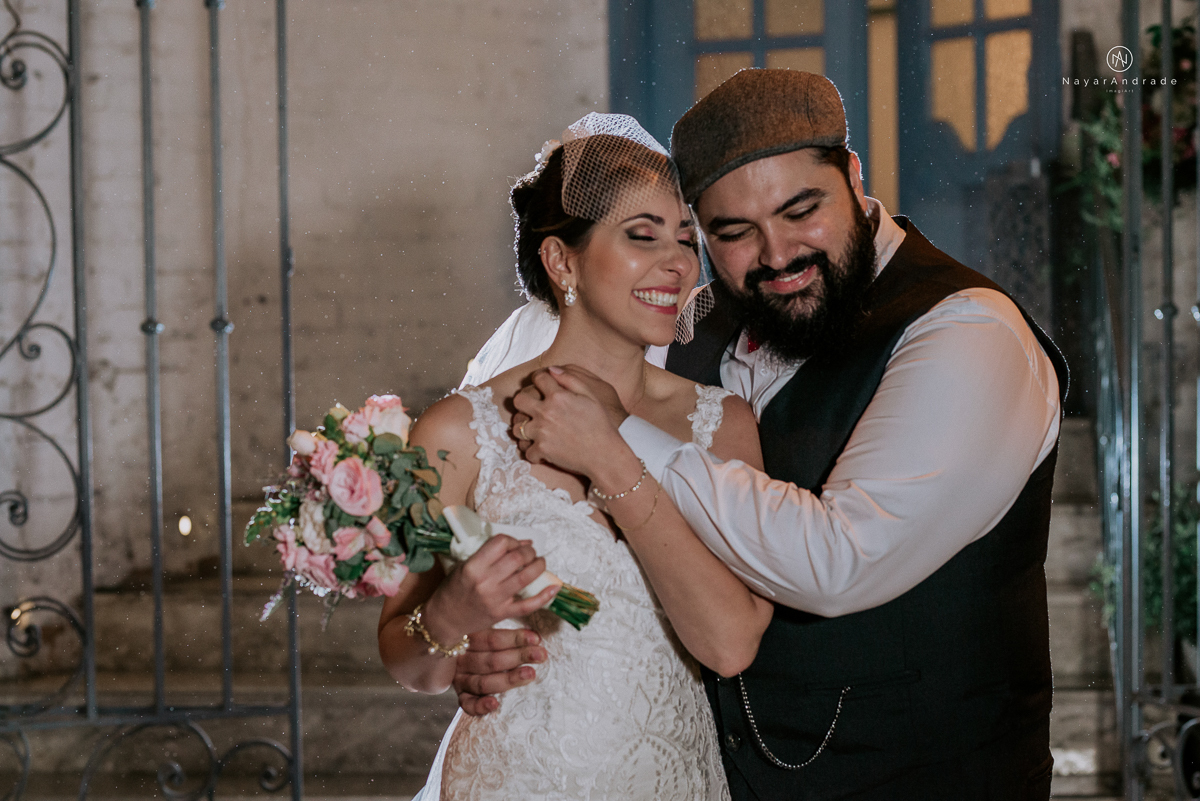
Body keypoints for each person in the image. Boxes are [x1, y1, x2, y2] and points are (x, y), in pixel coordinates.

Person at [459, 70, 1069, 799]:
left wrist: (619, 440)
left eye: (801, 209)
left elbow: (838, 561)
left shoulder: (966, 330)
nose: (776, 252)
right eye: (733, 232)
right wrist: (478, 647)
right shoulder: (688, 327)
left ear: (852, 175)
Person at [376, 113, 773, 801]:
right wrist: (449, 618)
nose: (678, 262)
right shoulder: (458, 431)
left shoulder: (722, 424)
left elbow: (730, 643)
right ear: (563, 261)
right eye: (641, 236)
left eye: (686, 238)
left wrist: (610, 454)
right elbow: (407, 658)